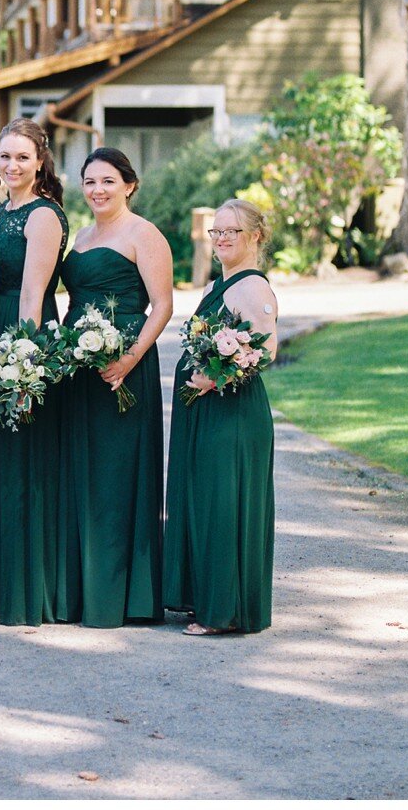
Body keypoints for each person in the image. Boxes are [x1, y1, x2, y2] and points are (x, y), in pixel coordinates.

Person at [59, 146, 174, 628]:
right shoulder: (82, 235)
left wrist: (128, 359)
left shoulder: (143, 233)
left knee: (118, 475)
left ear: (128, 185)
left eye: (108, 181)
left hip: (124, 364)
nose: (97, 190)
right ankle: (84, 593)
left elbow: (163, 305)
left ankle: (126, 596)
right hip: (79, 367)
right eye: (89, 182)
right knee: (82, 474)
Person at [163, 198, 278, 635]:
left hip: (232, 414)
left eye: (232, 230)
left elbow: (265, 351)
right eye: (217, 231)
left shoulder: (253, 287)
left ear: (256, 237)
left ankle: (224, 612)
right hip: (207, 414)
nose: (223, 238)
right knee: (205, 502)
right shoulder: (220, 285)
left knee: (224, 505)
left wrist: (215, 378)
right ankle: (206, 599)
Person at [0, 118, 73, 626]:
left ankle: (28, 598)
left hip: (23, 334)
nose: (11, 165)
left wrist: (21, 363)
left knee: (26, 465)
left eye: (22, 157)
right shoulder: (6, 209)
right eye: (4, 156)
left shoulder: (43, 215)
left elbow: (36, 294)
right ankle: (8, 588)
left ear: (40, 161)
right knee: (4, 464)